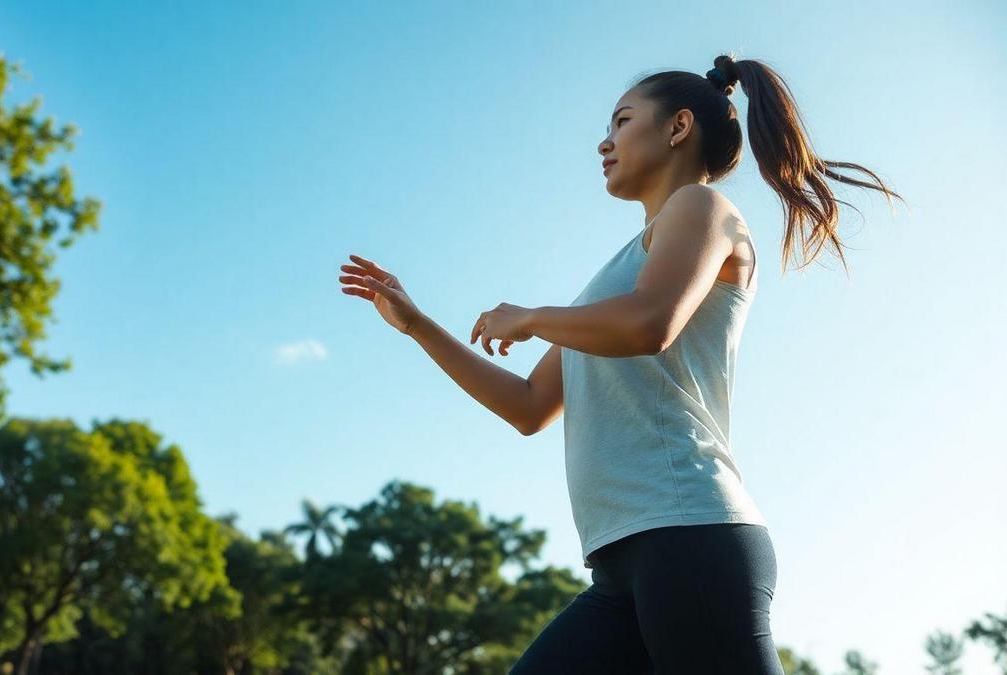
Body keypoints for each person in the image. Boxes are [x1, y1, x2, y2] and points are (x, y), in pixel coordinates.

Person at [338, 53, 903, 674]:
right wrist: (417, 324)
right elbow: (529, 406)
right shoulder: (616, 276)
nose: (603, 143)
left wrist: (530, 317)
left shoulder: (701, 208)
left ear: (678, 127)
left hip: (690, 535)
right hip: (619, 566)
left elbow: (650, 323)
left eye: (622, 121)